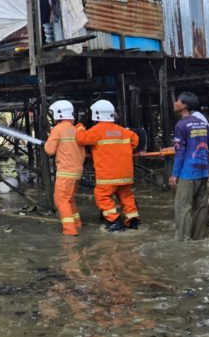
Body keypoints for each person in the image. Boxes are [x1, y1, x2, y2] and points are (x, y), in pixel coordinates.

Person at [75, 99, 139, 232]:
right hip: (126, 174)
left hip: (108, 175)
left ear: (96, 114)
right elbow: (135, 139)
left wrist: (79, 127)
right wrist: (124, 150)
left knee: (102, 196)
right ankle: (132, 221)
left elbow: (81, 139)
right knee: (126, 196)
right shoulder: (123, 131)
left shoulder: (96, 130)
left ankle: (114, 221)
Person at [168, 92, 209, 241]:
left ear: (185, 106)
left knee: (183, 207)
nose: (175, 102)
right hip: (203, 172)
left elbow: (180, 152)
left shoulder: (181, 125)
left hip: (188, 173)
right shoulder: (203, 123)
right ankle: (199, 237)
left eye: (178, 100)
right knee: (201, 207)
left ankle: (183, 241)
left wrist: (174, 174)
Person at [44, 100, 86, 236]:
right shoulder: (76, 130)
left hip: (65, 172)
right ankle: (77, 224)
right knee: (69, 199)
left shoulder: (58, 129)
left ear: (58, 113)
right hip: (77, 171)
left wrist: (47, 142)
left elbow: (50, 150)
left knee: (61, 199)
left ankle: (70, 230)